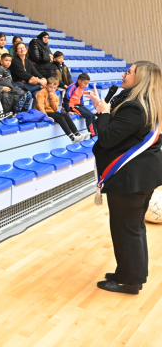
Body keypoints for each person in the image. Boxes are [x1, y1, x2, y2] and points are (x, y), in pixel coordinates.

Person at [85, 61, 162, 294]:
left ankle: (130, 281)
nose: (124, 73)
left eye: (129, 72)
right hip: (140, 177)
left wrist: (102, 114)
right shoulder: (147, 104)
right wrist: (104, 109)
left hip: (131, 179)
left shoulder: (135, 107)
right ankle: (128, 273)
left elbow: (107, 137)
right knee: (131, 227)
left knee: (126, 229)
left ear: (140, 79)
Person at [34, 77, 89, 143]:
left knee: (66, 116)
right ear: (46, 85)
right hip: (41, 112)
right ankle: (72, 137)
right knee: (60, 117)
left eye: (54, 88)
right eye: (50, 87)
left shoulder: (54, 95)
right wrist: (45, 116)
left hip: (51, 111)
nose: (52, 89)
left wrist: (52, 99)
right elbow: (40, 106)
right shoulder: (41, 93)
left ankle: (77, 134)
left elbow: (55, 109)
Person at [63, 73, 97, 137]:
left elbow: (80, 98)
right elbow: (66, 98)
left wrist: (82, 106)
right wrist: (68, 110)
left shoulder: (81, 87)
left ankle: (96, 134)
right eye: (85, 83)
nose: (86, 85)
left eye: (87, 83)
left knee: (92, 115)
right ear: (79, 81)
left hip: (79, 105)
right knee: (89, 116)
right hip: (72, 106)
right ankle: (93, 135)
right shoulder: (72, 86)